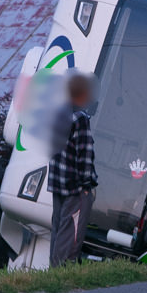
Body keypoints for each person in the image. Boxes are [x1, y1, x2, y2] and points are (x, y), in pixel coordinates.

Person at [47, 73, 98, 267]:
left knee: (58, 227)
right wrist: (86, 185)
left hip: (57, 180)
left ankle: (54, 266)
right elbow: (84, 154)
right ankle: (63, 270)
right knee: (72, 231)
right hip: (75, 185)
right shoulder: (81, 119)